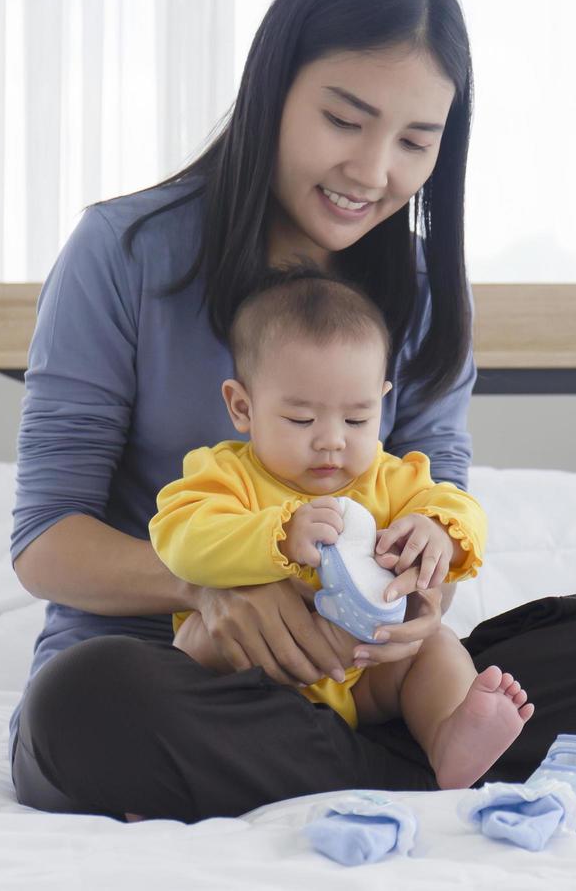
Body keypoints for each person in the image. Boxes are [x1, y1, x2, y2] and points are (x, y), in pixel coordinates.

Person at [10, 0, 576, 823]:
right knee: (83, 708)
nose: (373, 171)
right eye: (345, 119)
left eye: (414, 140)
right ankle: (492, 766)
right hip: (176, 675)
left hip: (368, 678)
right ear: (274, 88)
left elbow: (438, 501)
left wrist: (423, 588)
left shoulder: (428, 298)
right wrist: (208, 586)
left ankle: (434, 750)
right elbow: (45, 543)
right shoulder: (124, 255)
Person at [150, 270, 534, 791]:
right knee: (196, 642)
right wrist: (277, 537)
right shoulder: (224, 474)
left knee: (439, 647)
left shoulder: (390, 476)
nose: (331, 442)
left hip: (364, 673)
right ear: (243, 407)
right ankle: (171, 768)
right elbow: (180, 537)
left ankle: (451, 740)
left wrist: (438, 531)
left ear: (382, 401)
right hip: (251, 674)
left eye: (357, 420)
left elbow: (458, 504)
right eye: (301, 420)